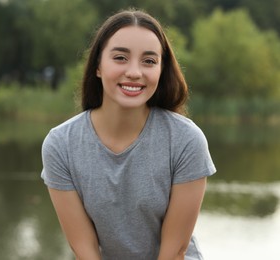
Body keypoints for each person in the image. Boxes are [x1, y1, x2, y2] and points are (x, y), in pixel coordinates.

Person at [41, 8, 216, 260]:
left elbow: (174, 252)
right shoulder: (60, 145)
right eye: (120, 58)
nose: (135, 71)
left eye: (149, 61)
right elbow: (84, 249)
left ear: (161, 70)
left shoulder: (186, 140)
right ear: (98, 66)